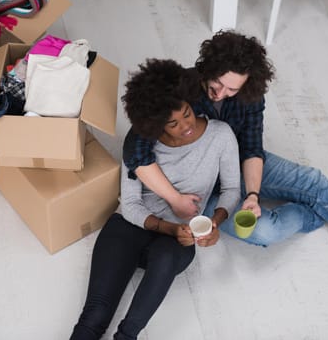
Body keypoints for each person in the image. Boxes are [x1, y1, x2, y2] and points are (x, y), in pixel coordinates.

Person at [123, 30, 328, 258]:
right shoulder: (179, 87)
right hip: (198, 186)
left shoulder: (249, 99)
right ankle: (317, 210)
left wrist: (251, 195)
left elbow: (251, 147)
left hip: (234, 160)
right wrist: (175, 199)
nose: (220, 94)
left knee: (312, 181)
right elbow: (134, 150)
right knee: (265, 231)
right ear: (208, 68)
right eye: (217, 83)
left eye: (231, 90)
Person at [70, 59, 240, 340]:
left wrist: (215, 222)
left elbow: (232, 188)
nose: (185, 126)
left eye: (186, 113)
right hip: (130, 229)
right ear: (155, 124)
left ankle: (127, 335)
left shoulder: (220, 136)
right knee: (94, 317)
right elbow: (131, 205)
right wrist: (169, 226)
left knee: (165, 256)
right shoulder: (140, 145)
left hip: (175, 245)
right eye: (172, 124)